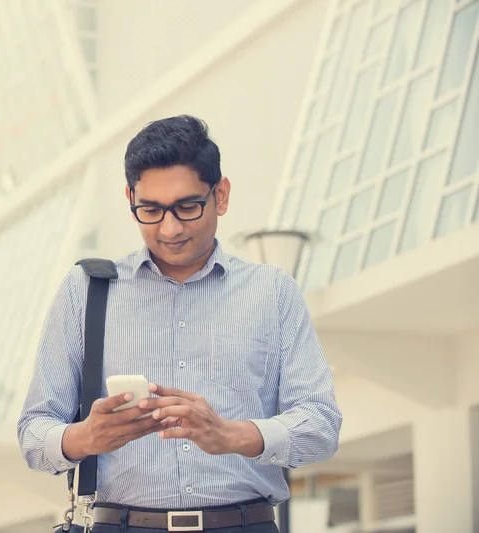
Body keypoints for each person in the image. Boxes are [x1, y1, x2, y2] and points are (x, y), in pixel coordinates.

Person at [17, 115, 342, 532]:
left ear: (220, 195)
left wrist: (233, 435)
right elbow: (33, 433)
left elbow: (321, 424)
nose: (169, 229)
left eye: (187, 207)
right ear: (130, 198)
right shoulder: (86, 291)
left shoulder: (273, 291)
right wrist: (86, 437)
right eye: (150, 210)